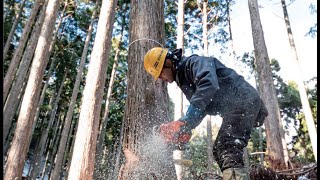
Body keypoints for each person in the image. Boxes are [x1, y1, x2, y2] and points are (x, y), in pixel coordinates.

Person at [143, 47, 268, 180]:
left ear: (168, 63)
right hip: (237, 105)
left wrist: (187, 120)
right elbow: (203, 106)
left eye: (160, 73)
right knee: (219, 149)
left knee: (227, 145)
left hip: (243, 99)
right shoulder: (183, 78)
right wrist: (185, 126)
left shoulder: (193, 63)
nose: (161, 78)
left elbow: (208, 84)